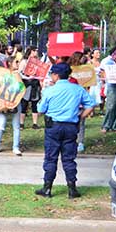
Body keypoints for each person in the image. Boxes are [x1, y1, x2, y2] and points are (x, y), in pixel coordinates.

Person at [35, 63, 96, 199]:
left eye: (52, 73)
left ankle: (47, 188)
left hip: (53, 127)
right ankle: (72, 189)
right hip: (71, 127)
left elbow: (40, 110)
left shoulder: (50, 91)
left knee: (51, 158)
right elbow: (91, 104)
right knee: (69, 159)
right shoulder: (78, 89)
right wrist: (81, 116)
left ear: (56, 75)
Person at [0, 57, 22, 155]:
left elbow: (21, 88)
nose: (18, 64)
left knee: (16, 126)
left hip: (16, 103)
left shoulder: (18, 75)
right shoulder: (3, 74)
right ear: (9, 63)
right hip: (3, 103)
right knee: (1, 125)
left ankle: (15, 147)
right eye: (16, 62)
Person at [18, 46, 41, 129]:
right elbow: (19, 73)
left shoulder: (38, 61)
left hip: (35, 84)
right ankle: (21, 123)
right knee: (24, 104)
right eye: (35, 51)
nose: (37, 52)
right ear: (31, 51)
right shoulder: (24, 61)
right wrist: (27, 78)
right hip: (27, 84)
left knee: (35, 104)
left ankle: (35, 123)